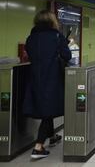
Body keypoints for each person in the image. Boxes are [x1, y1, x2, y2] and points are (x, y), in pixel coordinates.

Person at [23, 10, 71, 159]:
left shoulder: (31, 38)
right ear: (52, 21)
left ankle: (52, 136)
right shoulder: (56, 36)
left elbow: (31, 55)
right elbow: (67, 55)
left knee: (45, 108)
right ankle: (38, 147)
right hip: (52, 78)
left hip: (35, 78)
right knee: (48, 110)